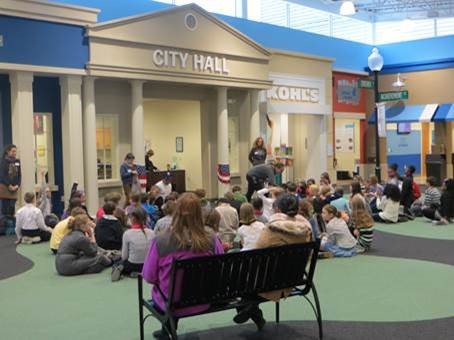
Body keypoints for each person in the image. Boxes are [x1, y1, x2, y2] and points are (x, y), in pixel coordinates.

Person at [141, 193, 224, 338]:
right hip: (204, 298)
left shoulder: (161, 241)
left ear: (176, 213)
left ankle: (167, 328)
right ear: (200, 213)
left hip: (172, 302)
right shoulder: (212, 239)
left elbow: (149, 276)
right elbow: (221, 268)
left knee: (167, 286)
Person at [233, 194, 312, 328]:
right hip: (294, 278)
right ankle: (251, 307)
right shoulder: (306, 229)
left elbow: (257, 253)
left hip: (268, 282)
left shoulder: (272, 229)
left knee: (240, 275)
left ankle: (251, 309)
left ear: (278, 210)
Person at [111, 208, 154, 281]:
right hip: (148, 264)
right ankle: (142, 272)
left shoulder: (127, 233)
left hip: (133, 265)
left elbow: (124, 256)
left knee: (117, 261)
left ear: (132, 219)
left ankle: (127, 271)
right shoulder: (152, 233)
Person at [0, 144, 21, 219]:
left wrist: (17, 185)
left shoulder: (17, 161)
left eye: (15, 151)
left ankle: (12, 226)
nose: (15, 153)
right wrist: (9, 185)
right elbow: (2, 175)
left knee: (12, 208)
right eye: (13, 151)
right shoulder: (3, 161)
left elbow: (19, 175)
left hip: (14, 188)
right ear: (8, 151)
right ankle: (4, 227)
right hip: (5, 188)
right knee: (5, 210)